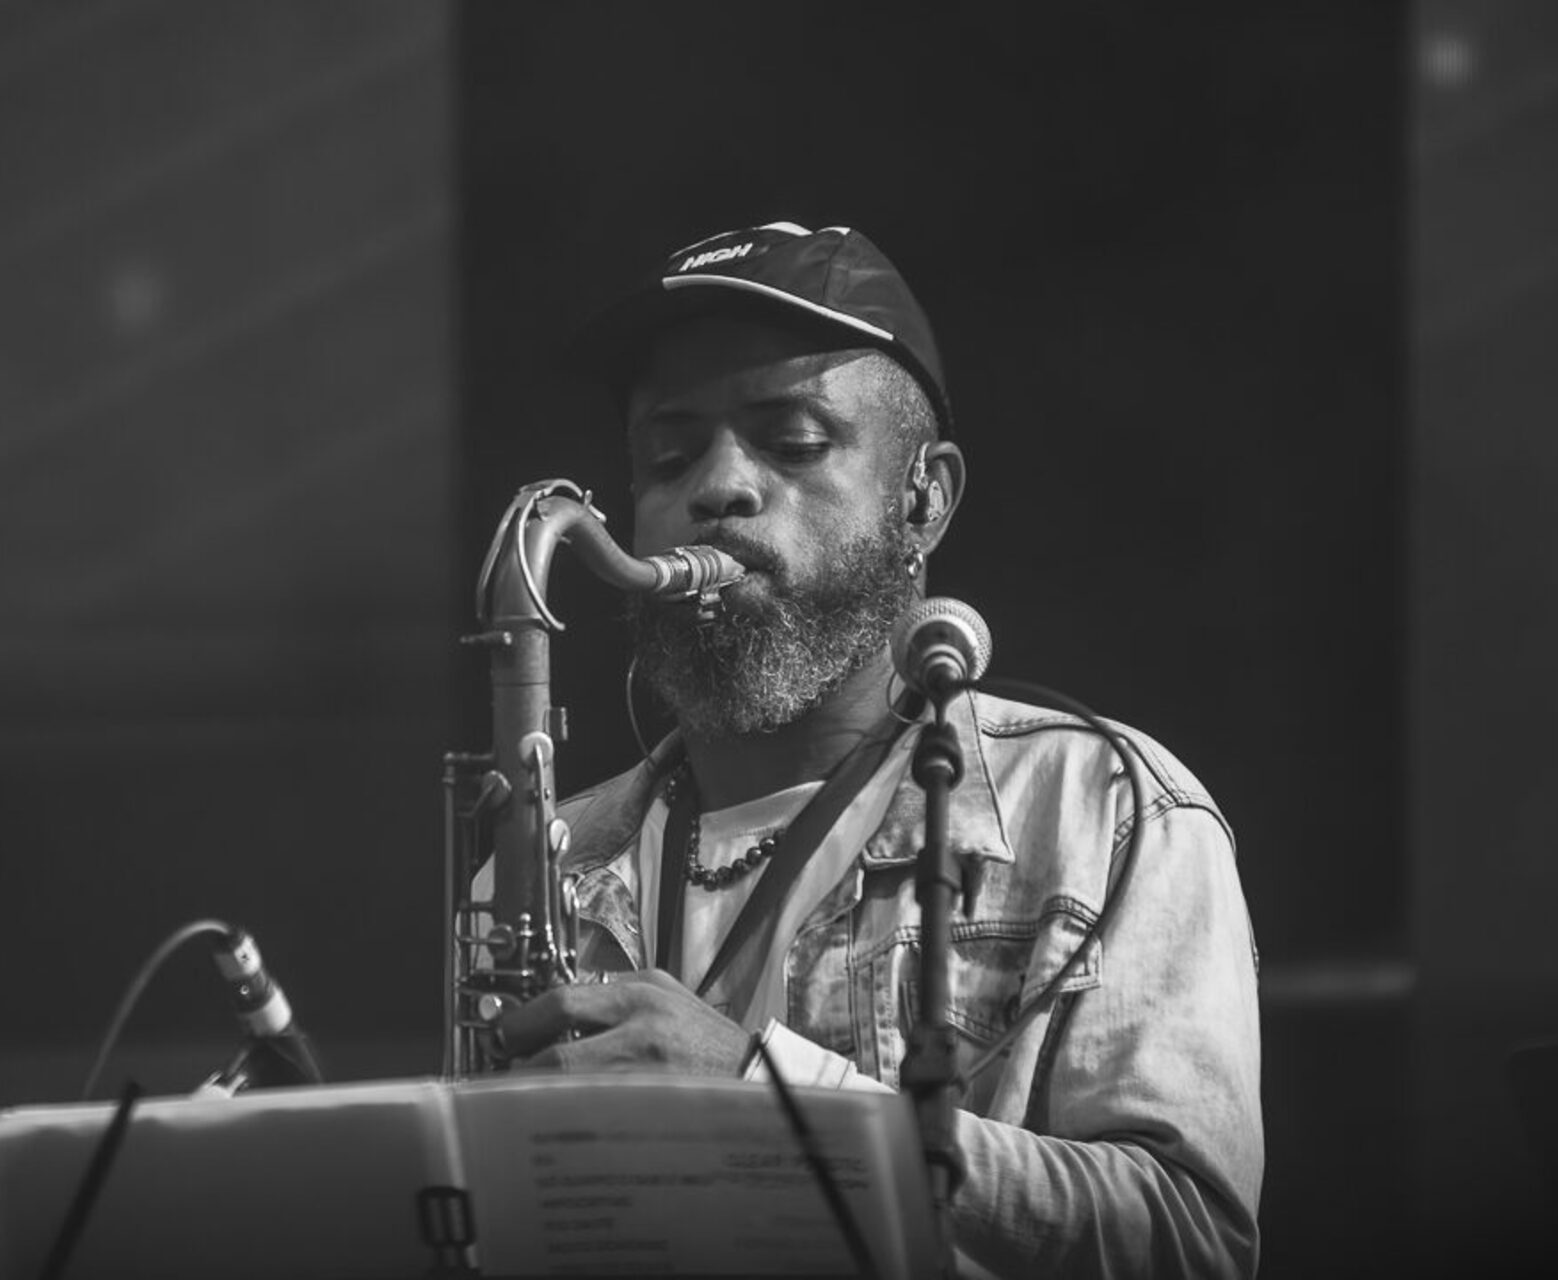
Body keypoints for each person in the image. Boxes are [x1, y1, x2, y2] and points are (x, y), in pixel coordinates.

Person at [489, 221, 1262, 1278]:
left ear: (924, 498)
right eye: (668, 457)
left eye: (793, 441)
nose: (716, 487)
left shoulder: (1107, 807)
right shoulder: (540, 865)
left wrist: (762, 1100)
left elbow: (1185, 1241)